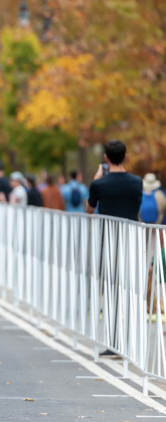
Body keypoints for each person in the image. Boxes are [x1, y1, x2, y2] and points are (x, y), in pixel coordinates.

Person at [87, 139, 142, 359]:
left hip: (108, 241)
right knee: (128, 289)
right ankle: (129, 340)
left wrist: (97, 180)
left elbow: (89, 210)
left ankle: (114, 342)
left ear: (106, 158)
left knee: (110, 289)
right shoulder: (137, 182)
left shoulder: (99, 184)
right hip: (131, 239)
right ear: (126, 156)